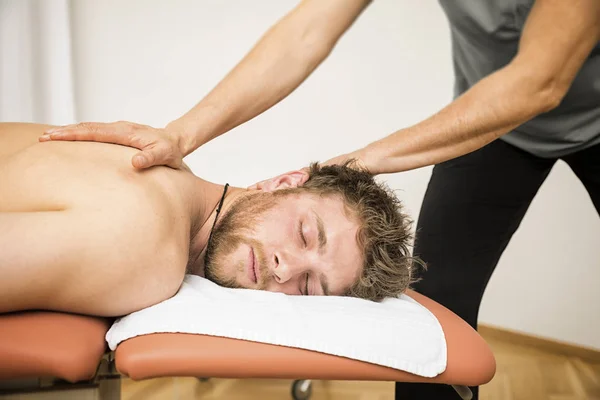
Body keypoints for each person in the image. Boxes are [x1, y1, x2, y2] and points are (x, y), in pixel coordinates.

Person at [39, 0, 600, 398]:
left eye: (310, 283)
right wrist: (182, 135)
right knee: (439, 310)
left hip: (563, 107)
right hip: (494, 127)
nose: (285, 270)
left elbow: (538, 83)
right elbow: (305, 32)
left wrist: (359, 162)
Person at [0, 122, 417, 317]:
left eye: (308, 288)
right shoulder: (147, 253)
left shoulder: (144, 166)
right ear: (282, 182)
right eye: (305, 234)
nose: (284, 268)